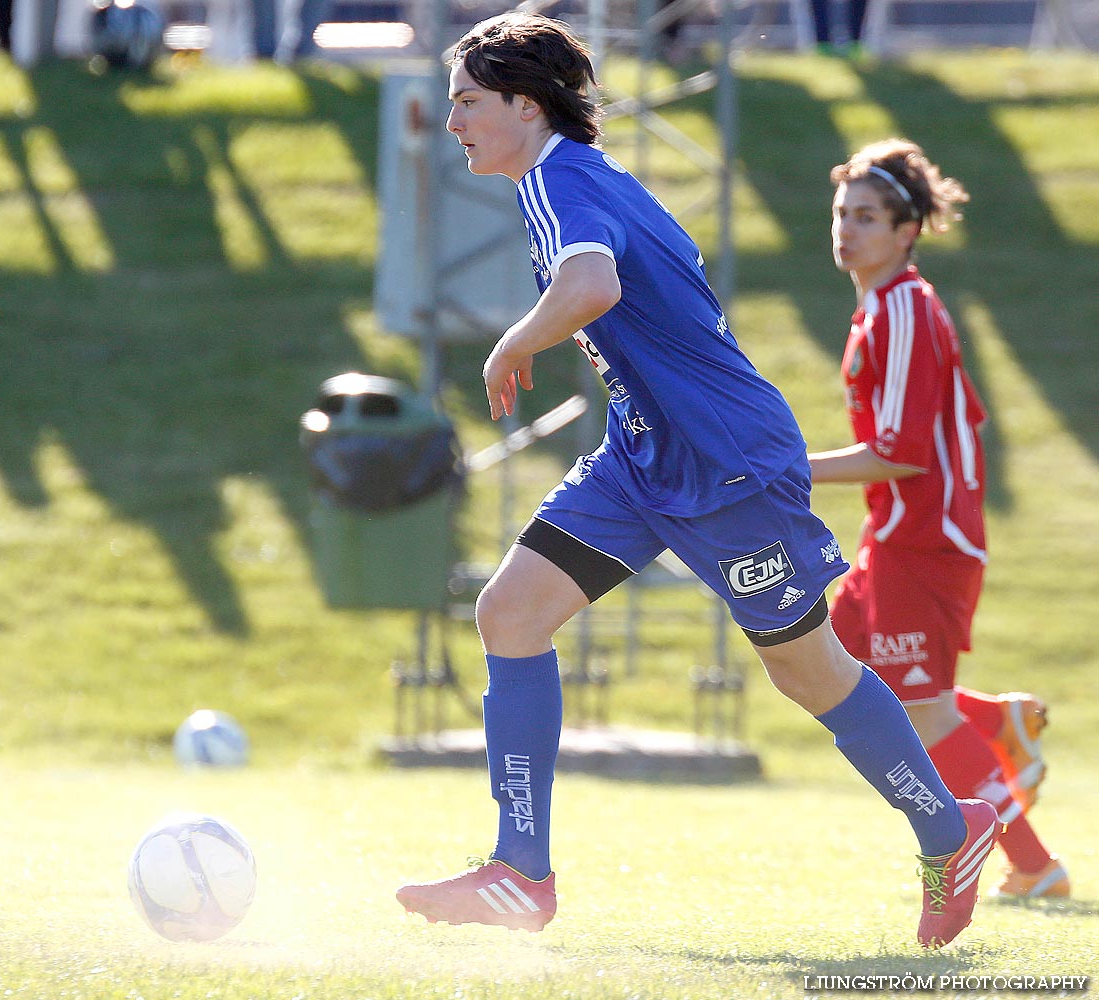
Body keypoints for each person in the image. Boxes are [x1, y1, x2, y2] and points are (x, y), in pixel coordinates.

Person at [396, 14, 1000, 949]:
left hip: (724, 466)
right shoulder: (567, 179)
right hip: (643, 459)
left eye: (468, 102)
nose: (455, 124)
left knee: (807, 670)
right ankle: (519, 872)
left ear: (525, 103)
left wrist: (514, 340)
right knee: (509, 613)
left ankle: (948, 826)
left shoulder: (559, 177)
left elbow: (591, 288)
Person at [808, 138, 1068, 899]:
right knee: (833, 670)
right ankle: (994, 724)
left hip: (924, 541)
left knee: (918, 712)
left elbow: (900, 452)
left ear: (905, 231)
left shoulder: (904, 308)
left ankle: (1032, 864)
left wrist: (790, 471)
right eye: (840, 213)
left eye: (865, 217)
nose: (845, 229)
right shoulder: (877, 311)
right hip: (892, 536)